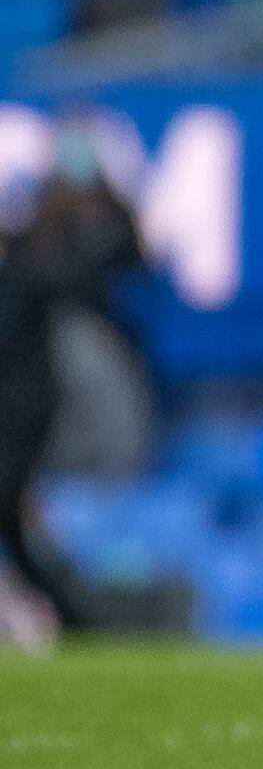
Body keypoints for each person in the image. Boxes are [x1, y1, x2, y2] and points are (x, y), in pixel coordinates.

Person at [0, 131, 146, 630]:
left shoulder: (58, 261)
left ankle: (71, 615)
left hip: (37, 409)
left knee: (19, 522)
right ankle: (67, 615)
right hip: (26, 405)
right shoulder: (34, 249)